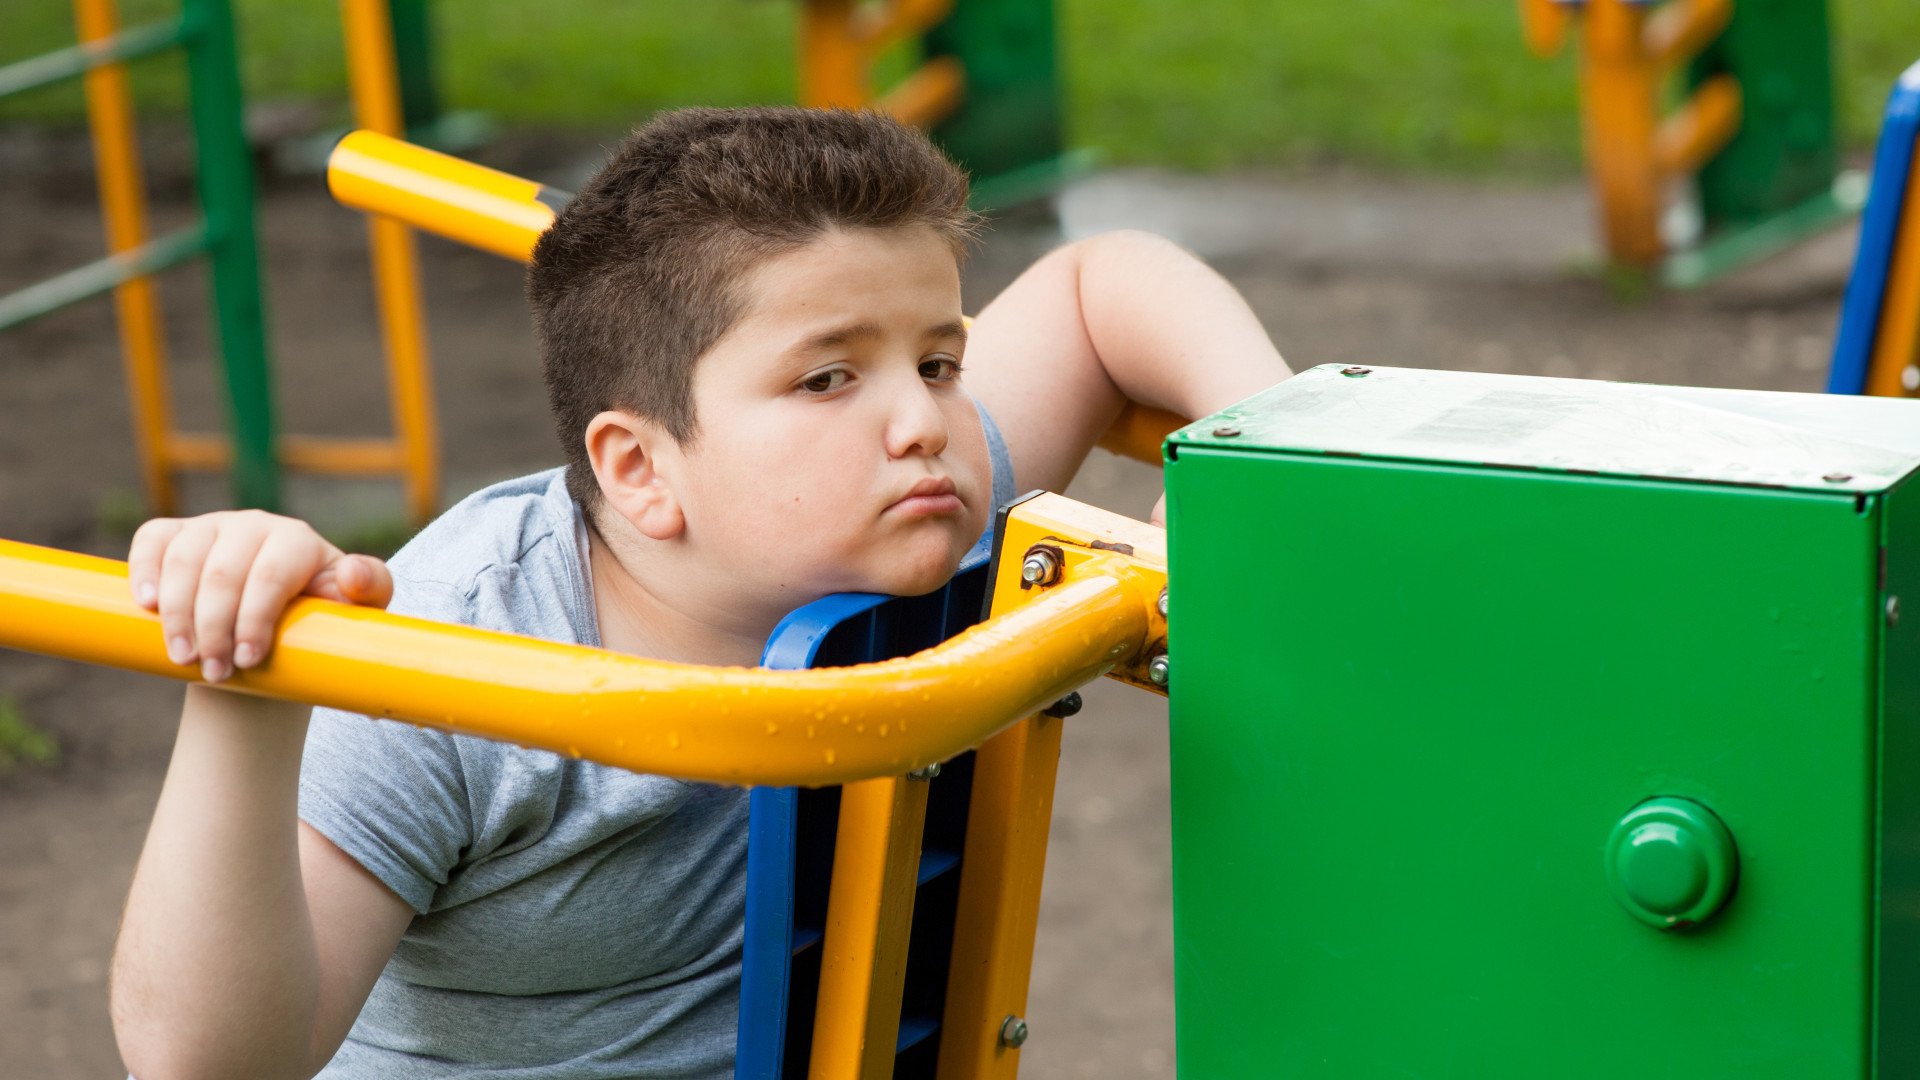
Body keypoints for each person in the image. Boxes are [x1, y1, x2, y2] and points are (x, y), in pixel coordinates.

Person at [109, 106, 1290, 1080]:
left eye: (937, 359)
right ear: (640, 468)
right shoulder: (448, 656)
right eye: (829, 376)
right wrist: (249, 688)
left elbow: (1102, 284)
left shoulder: (905, 497)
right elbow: (205, 1065)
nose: (920, 419)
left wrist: (1267, 454)